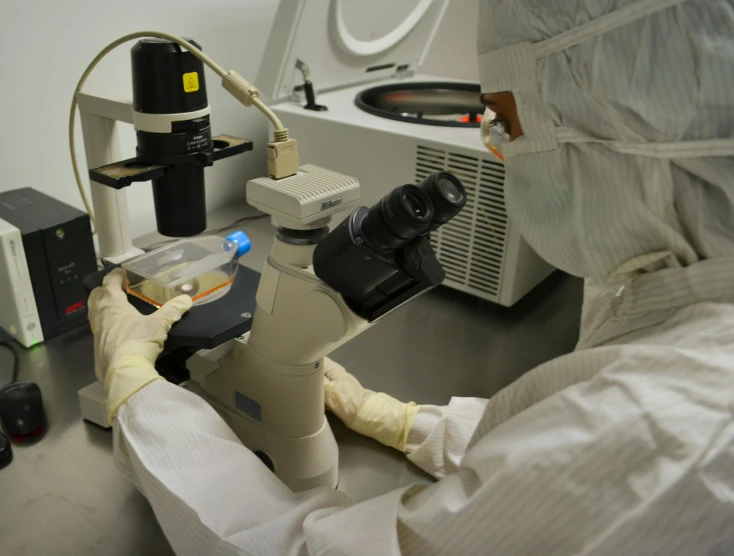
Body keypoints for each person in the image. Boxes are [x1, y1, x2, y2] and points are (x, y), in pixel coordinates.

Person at [88, 0, 734, 554]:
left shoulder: (667, 422)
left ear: (633, 139)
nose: (495, 147)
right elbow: (557, 460)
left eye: (507, 121)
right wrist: (404, 421)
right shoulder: (687, 291)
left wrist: (138, 394)